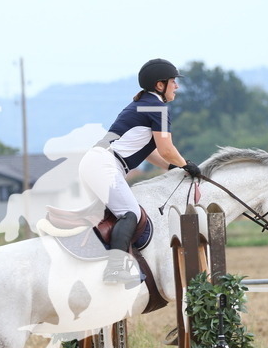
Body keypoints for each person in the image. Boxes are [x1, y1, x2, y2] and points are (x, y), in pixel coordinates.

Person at [80, 58, 202, 284]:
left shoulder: (143, 105)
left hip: (94, 162)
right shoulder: (158, 108)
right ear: (160, 85)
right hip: (105, 164)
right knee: (130, 213)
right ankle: (115, 269)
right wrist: (186, 164)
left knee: (109, 217)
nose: (177, 86)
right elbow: (166, 149)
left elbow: (150, 153)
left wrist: (174, 167)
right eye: (173, 82)